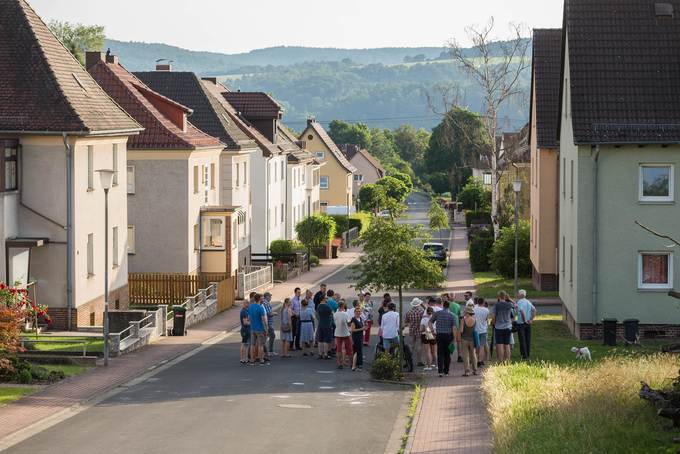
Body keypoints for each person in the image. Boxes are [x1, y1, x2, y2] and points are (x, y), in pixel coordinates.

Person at [429, 301, 456, 377]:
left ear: (443, 306)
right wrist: (454, 338)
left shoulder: (437, 313)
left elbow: (430, 322)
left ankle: (440, 371)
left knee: (440, 353)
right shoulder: (452, 315)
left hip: (439, 335)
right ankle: (446, 371)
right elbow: (454, 328)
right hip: (448, 336)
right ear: (449, 306)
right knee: (447, 354)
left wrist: (432, 331)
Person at [491, 291, 515, 362]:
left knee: (500, 345)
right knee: (507, 344)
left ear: (498, 297)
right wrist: (510, 299)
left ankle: (500, 360)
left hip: (498, 327)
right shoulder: (509, 304)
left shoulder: (496, 305)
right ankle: (507, 360)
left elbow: (493, 316)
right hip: (507, 327)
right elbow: (516, 305)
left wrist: (494, 323)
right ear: (505, 297)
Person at [515, 289, 537, 360]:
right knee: (528, 339)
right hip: (528, 323)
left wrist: (524, 321)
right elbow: (534, 310)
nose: (517, 295)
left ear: (521, 295)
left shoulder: (519, 302)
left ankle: (524, 356)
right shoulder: (528, 301)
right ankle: (527, 354)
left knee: (522, 340)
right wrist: (531, 320)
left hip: (522, 323)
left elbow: (522, 312)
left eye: (518, 293)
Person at [248, 293, 268, 365]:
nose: (262, 299)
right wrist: (266, 328)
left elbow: (249, 318)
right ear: (259, 299)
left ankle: (252, 359)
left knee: (252, 345)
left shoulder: (250, 307)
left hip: (252, 328)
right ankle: (261, 359)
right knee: (260, 345)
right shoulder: (260, 307)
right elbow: (263, 320)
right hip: (260, 328)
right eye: (262, 298)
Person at [406, 298, 425, 366]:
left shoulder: (409, 311)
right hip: (419, 330)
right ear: (419, 304)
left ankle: (409, 360)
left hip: (411, 330)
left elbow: (406, 322)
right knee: (419, 346)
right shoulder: (421, 311)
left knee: (411, 346)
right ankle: (419, 361)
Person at [459, 306, 478, 376]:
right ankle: (475, 370)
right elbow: (475, 329)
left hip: (464, 339)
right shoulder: (474, 319)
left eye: (464, 312)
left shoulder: (463, 320)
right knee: (473, 354)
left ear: (467, 313)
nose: (463, 313)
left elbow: (461, 330)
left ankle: (467, 371)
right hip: (472, 339)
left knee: (466, 355)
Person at [333, 302, 352, 368]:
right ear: (343, 306)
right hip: (345, 332)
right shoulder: (345, 314)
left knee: (339, 349)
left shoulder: (335, 314)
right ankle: (351, 363)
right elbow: (349, 323)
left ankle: (339, 363)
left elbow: (334, 322)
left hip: (338, 332)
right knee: (349, 348)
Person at [474, 297, 490, 367]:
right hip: (483, 330)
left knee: (475, 346)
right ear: (483, 303)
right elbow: (486, 319)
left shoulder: (474, 309)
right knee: (482, 346)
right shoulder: (486, 310)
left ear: (477, 302)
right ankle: (480, 361)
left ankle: (475, 359)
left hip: (475, 329)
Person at [420, 306, 437, 371]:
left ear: (426, 312)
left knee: (427, 352)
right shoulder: (435, 319)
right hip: (433, 334)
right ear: (432, 312)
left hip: (426, 334)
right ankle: (436, 365)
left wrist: (425, 328)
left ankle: (429, 366)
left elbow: (421, 329)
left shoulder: (424, 319)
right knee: (434, 352)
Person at [350, 306, 366, 371]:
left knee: (358, 351)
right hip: (356, 337)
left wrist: (364, 328)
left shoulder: (360, 319)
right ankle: (354, 366)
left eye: (359, 311)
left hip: (360, 336)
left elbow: (362, 327)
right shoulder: (353, 319)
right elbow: (352, 330)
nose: (358, 313)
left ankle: (356, 365)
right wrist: (361, 329)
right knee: (357, 351)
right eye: (357, 311)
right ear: (354, 312)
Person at [262, 292, 276, 360]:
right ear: (266, 296)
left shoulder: (265, 303)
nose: (270, 297)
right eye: (270, 296)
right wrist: (274, 313)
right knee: (271, 336)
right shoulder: (266, 303)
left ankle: (268, 351)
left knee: (268, 336)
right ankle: (269, 351)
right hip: (268, 323)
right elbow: (268, 313)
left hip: (268, 323)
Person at [239, 299, 251, 364]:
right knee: (244, 344)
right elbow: (245, 322)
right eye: (248, 303)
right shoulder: (243, 311)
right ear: (245, 304)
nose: (249, 304)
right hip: (245, 330)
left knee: (247, 344)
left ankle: (246, 358)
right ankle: (242, 358)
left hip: (248, 330)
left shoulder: (247, 310)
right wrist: (253, 323)